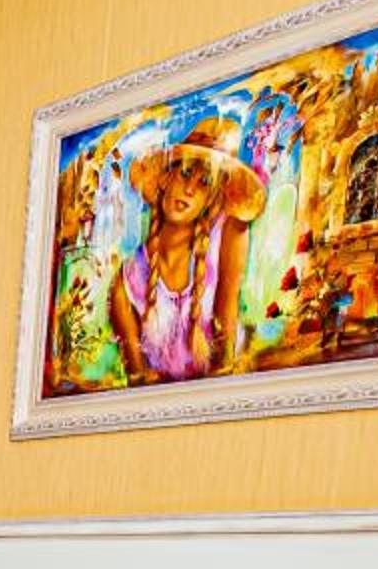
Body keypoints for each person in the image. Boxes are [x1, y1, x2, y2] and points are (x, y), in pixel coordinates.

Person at [111, 117, 265, 384]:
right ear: (165, 178)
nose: (190, 189)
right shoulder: (125, 285)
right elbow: (138, 382)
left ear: (214, 198)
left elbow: (225, 351)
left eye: (205, 181)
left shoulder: (228, 235)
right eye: (185, 173)